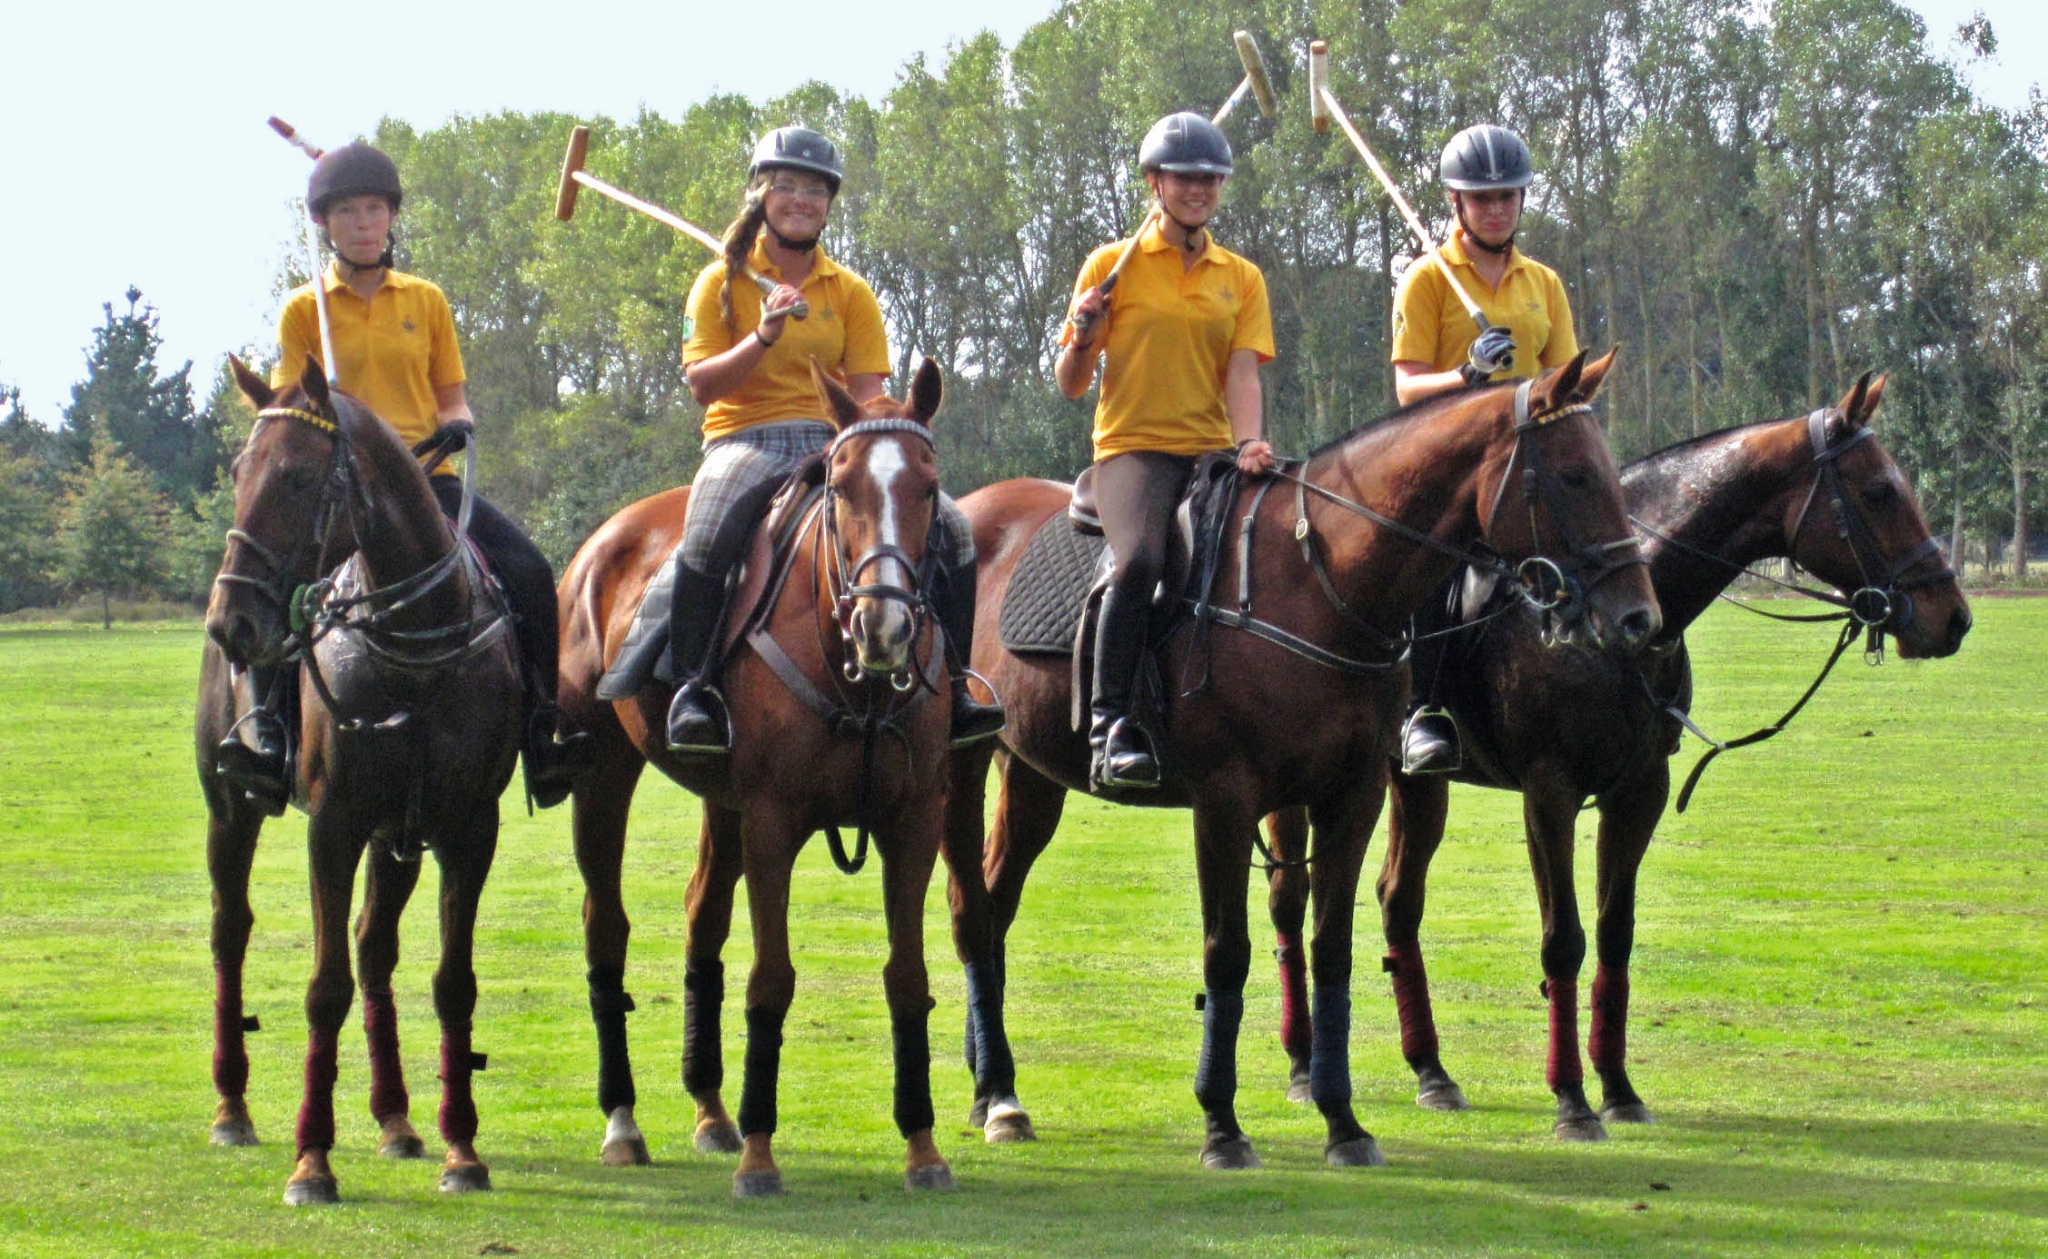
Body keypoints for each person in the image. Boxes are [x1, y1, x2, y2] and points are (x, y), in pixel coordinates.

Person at [215, 143, 592, 812]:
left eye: (374, 209)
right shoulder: (306, 310)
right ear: (324, 224)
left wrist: (458, 425)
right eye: (347, 212)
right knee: (287, 590)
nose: (363, 223)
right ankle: (269, 734)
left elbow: (451, 396)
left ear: (391, 219)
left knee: (531, 570)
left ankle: (541, 729)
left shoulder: (426, 300)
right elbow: (285, 409)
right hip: (337, 489)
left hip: (422, 482)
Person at [662, 125, 1003, 755]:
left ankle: (955, 687)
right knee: (708, 529)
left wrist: (868, 440)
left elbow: (869, 398)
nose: (800, 200)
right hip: (744, 438)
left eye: (815, 190)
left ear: (828, 204)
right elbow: (703, 385)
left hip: (833, 442)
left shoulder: (849, 292)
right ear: (760, 193)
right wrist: (762, 335)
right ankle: (694, 689)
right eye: (786, 185)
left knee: (952, 528)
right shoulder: (720, 283)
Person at [1055, 111, 1276, 791]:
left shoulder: (1239, 276)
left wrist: (1248, 443)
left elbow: (1240, 373)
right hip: (1133, 451)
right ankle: (1110, 725)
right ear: (1154, 182)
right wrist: (1083, 333)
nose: (1198, 190)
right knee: (1142, 559)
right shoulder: (1108, 267)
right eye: (1183, 179)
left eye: (1209, 179)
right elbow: (1069, 385)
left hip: (1211, 452)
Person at [1388, 123, 1580, 772]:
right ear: (1456, 203)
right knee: (1433, 564)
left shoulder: (1544, 283)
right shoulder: (1428, 279)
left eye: (1507, 196)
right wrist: (1465, 375)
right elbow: (1407, 385)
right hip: (1450, 465)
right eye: (1482, 197)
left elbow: (1566, 382)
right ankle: (1422, 710)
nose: (1497, 208)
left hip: (1530, 458)